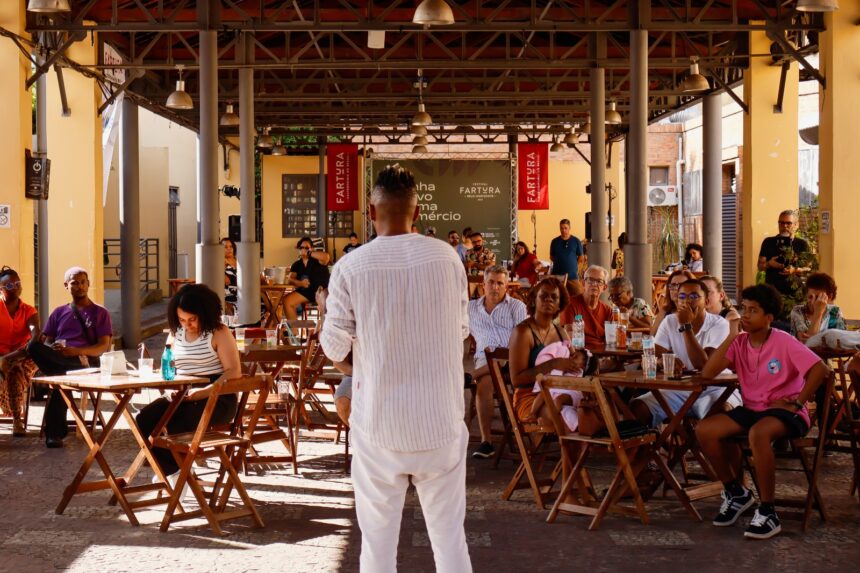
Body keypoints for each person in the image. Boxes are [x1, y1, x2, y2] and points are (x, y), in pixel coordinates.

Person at [320, 165, 472, 572]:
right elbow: (460, 333)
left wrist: (363, 369)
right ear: (417, 213)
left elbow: (333, 346)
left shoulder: (350, 267)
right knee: (450, 542)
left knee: (377, 548)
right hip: (440, 422)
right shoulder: (447, 259)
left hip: (379, 427)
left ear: (371, 212)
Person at [697, 284, 829, 540]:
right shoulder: (740, 342)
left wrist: (799, 402)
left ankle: (768, 511)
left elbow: (820, 370)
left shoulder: (783, 340)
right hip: (752, 409)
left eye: (753, 311)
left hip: (786, 412)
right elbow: (708, 372)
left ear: (769, 318)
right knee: (705, 429)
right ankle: (735, 492)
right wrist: (731, 336)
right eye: (744, 309)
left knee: (758, 434)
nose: (745, 315)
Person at [136, 284, 242, 479]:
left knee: (177, 422)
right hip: (182, 393)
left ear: (205, 313)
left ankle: (179, 473)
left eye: (192, 319)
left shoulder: (219, 332)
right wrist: (167, 385)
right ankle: (175, 470)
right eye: (182, 319)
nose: (187, 325)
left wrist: (204, 391)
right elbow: (168, 366)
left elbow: (234, 372)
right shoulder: (176, 333)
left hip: (217, 396)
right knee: (144, 418)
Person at [630, 279, 741, 428]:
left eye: (694, 296)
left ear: (707, 301)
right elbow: (656, 354)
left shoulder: (719, 324)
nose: (687, 301)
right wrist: (663, 362)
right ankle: (651, 450)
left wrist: (685, 326)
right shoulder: (669, 321)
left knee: (720, 413)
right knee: (638, 408)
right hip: (679, 389)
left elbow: (703, 365)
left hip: (715, 388)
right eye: (682, 297)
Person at [27, 267, 112, 448]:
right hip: (60, 360)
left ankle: (54, 434)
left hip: (85, 363)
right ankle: (54, 433)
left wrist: (77, 351)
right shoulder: (58, 312)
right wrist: (54, 348)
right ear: (67, 286)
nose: (80, 286)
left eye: (83, 282)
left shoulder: (100, 313)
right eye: (74, 283)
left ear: (88, 284)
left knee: (60, 380)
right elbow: (47, 342)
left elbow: (103, 346)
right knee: (33, 346)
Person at [468, 265, 528, 459]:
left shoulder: (516, 307)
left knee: (493, 363)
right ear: (483, 285)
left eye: (500, 283)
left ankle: (471, 377)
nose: (495, 287)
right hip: (485, 360)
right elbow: (456, 333)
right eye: (491, 282)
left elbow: (524, 339)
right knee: (484, 384)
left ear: (506, 286)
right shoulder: (470, 308)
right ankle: (487, 442)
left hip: (512, 358)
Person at [509, 277, 578, 429]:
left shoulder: (561, 332)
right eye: (543, 296)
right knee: (565, 419)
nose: (549, 300)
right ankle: (567, 451)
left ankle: (570, 451)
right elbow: (516, 380)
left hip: (558, 392)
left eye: (554, 297)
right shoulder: (523, 332)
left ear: (560, 304)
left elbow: (576, 363)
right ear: (534, 299)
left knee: (588, 412)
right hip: (529, 397)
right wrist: (553, 364)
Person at [0, 267, 40, 436]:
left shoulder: (28, 310)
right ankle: (13, 412)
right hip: (0, 359)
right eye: (9, 285)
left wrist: (10, 357)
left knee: (15, 371)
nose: (14, 288)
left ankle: (17, 420)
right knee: (8, 371)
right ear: (1, 288)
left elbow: (35, 334)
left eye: (17, 284)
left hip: (23, 357)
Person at [757, 210, 810, 318]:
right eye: (781, 223)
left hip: (795, 295)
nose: (784, 226)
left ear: (796, 225)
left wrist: (794, 270)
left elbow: (808, 268)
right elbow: (760, 266)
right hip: (773, 294)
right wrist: (769, 264)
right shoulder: (768, 242)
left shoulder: (802, 244)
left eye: (788, 223)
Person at [560, 265, 612, 347]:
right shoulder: (570, 304)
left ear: (604, 287)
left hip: (602, 353)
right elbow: (568, 336)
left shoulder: (608, 311)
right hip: (579, 351)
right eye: (590, 280)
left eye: (599, 281)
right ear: (583, 283)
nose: (594, 284)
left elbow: (611, 340)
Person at [789, 272, 845, 343]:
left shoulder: (835, 311)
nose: (812, 302)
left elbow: (840, 341)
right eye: (810, 297)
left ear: (829, 297)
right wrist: (818, 312)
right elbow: (808, 343)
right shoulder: (798, 311)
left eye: (818, 298)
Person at [283, 237, 331, 320]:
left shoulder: (317, 259)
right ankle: (294, 331)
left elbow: (326, 257)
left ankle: (325, 330)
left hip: (322, 290)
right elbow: (290, 279)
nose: (304, 250)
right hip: (306, 293)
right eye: (301, 248)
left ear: (311, 249)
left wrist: (309, 253)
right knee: (287, 301)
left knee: (325, 302)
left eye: (307, 248)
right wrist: (300, 283)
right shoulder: (296, 264)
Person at [651, 269, 696, 335]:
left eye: (681, 285)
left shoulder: (696, 311)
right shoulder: (665, 310)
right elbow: (652, 336)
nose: (676, 289)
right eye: (673, 285)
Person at [221, 237, 238, 314]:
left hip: (244, 291)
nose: (229, 249)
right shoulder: (220, 262)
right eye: (225, 247)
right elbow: (226, 281)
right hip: (229, 294)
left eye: (231, 246)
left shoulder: (240, 261)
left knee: (262, 301)